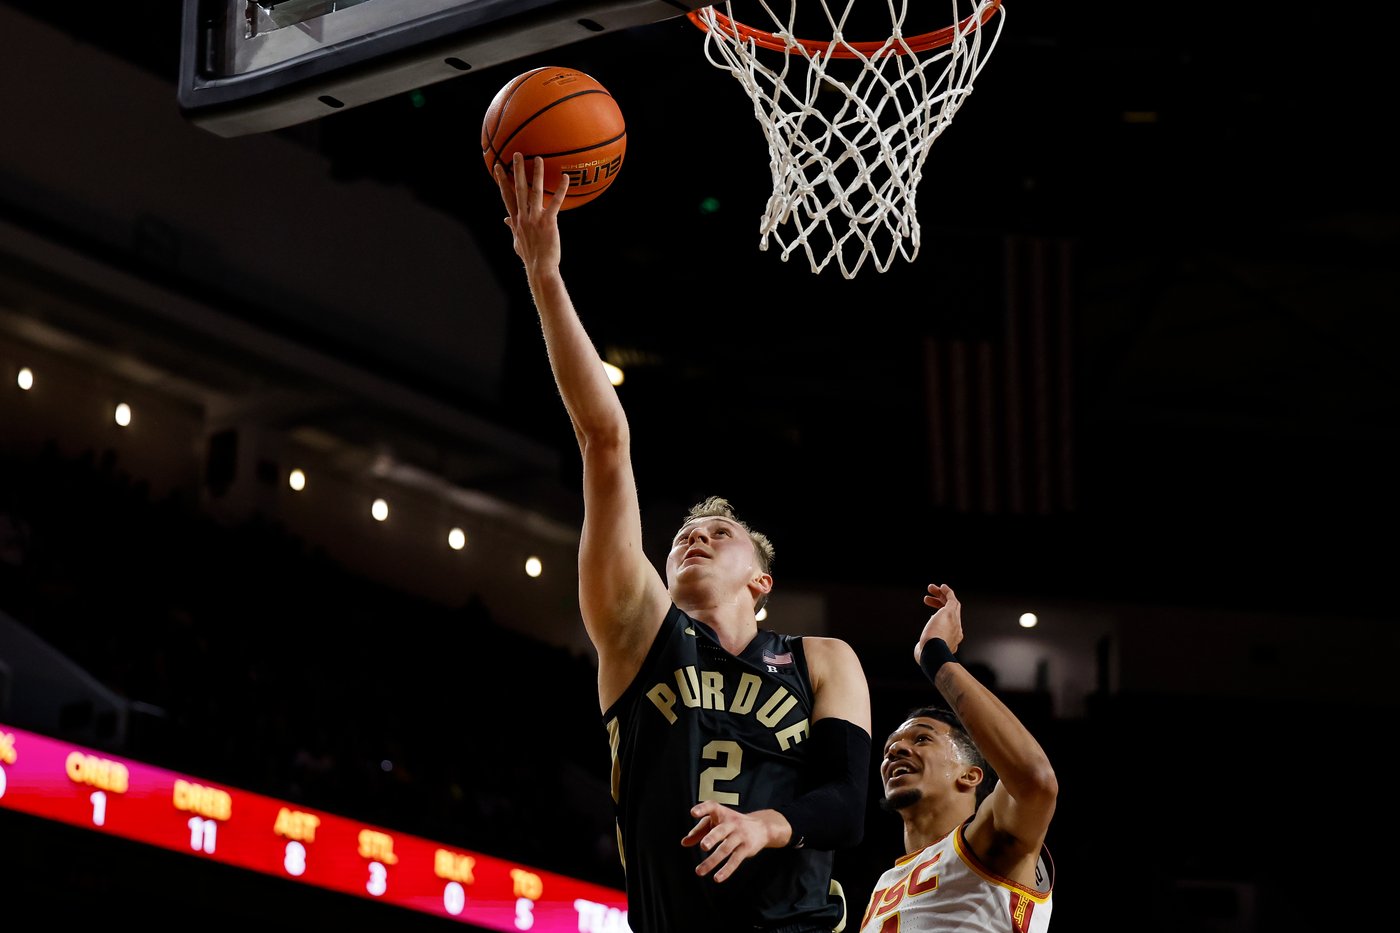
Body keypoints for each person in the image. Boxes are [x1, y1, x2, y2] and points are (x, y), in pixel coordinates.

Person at [493, 152, 873, 933]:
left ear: (761, 580)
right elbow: (604, 438)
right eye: (684, 535)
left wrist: (765, 825)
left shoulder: (822, 659)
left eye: (719, 533)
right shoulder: (640, 632)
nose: (694, 537)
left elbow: (845, 806)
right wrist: (544, 273)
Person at [859, 583, 1058, 932]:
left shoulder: (989, 840)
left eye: (922, 738)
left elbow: (1035, 780)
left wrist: (934, 656)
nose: (896, 749)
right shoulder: (884, 884)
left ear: (970, 775)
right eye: (891, 745)